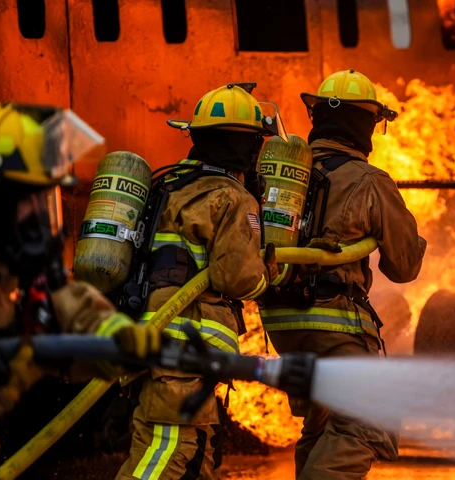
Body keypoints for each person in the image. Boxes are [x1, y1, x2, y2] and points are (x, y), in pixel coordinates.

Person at [116, 83, 288, 480]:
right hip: (185, 342)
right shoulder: (231, 197)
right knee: (167, 451)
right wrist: (270, 281)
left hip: (155, 334)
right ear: (246, 146)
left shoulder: (171, 185)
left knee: (197, 453)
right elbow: (237, 276)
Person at [261, 69, 427, 479]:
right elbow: (404, 266)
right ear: (366, 124)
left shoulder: (281, 174)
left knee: (322, 422)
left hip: (279, 322)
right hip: (333, 323)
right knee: (367, 418)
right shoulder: (369, 181)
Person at [0, 102, 162, 463]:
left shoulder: (11, 275)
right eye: (24, 203)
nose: (34, 220)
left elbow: (62, 307)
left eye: (41, 203)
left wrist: (116, 333)